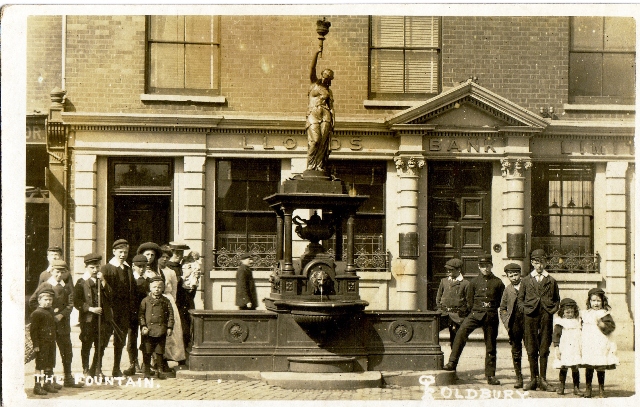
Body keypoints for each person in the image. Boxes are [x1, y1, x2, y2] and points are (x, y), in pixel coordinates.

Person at [442, 253, 505, 385]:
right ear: (479, 267)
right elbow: (469, 300)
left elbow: (500, 301)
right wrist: (476, 310)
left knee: (490, 346)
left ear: (491, 266)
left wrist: (490, 308)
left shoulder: (498, 282)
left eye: (487, 266)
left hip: (491, 316)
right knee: (460, 334)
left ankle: (490, 375)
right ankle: (452, 363)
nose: (485, 269)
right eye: (482, 266)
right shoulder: (474, 282)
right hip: (475, 314)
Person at [29, 260, 83, 388]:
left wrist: (61, 315)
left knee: (67, 351)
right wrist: (45, 315)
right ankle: (49, 380)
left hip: (62, 324)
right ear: (52, 271)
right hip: (48, 328)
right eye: (57, 271)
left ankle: (68, 377)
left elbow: (70, 305)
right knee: (48, 353)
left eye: (62, 272)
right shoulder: (45, 285)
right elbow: (32, 302)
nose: (59, 275)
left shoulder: (68, 286)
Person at [517, 249, 560, 392]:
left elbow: (556, 299)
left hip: (545, 315)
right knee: (531, 345)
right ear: (532, 263)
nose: (539, 266)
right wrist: (524, 309)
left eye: (542, 263)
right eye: (536, 263)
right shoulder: (526, 280)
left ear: (546, 263)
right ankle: (533, 379)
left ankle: (543, 379)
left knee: (544, 345)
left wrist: (551, 310)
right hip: (530, 315)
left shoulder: (551, 281)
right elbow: (520, 299)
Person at [100, 239, 133, 377]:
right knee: (103, 340)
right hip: (110, 311)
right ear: (114, 252)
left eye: (125, 252)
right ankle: (97, 368)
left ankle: (116, 368)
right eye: (120, 252)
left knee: (120, 341)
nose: (123, 255)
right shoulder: (106, 269)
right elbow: (101, 292)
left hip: (123, 311)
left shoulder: (127, 268)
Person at [580, 288, 619, 398]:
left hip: (599, 343)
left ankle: (601, 389)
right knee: (589, 365)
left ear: (602, 301)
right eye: (593, 301)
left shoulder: (604, 314)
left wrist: (602, 325)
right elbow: (581, 325)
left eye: (598, 301)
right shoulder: (586, 313)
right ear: (589, 302)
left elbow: (611, 327)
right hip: (588, 343)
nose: (596, 303)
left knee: (599, 365)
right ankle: (588, 388)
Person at [82, 253, 112, 378]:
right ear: (86, 268)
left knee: (100, 344)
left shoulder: (102, 281)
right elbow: (77, 301)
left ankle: (97, 368)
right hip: (88, 319)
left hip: (102, 319)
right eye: (92, 267)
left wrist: (103, 281)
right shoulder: (81, 282)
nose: (95, 270)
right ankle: (86, 369)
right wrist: (90, 309)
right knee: (87, 344)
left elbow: (110, 295)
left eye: (97, 267)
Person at [305, 46, 334, 172]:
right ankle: (310, 165)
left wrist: (334, 121)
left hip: (326, 114)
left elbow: (332, 107)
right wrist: (316, 54)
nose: (325, 78)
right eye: (324, 75)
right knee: (315, 140)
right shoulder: (314, 83)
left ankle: (320, 165)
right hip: (313, 113)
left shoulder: (328, 91)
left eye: (328, 77)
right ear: (321, 74)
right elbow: (312, 68)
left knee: (323, 142)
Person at [139, 276, 174, 380]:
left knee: (159, 352)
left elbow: (171, 315)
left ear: (162, 288)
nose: (157, 289)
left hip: (161, 330)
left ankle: (160, 371)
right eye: (154, 287)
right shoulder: (145, 301)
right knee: (147, 351)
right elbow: (141, 314)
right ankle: (146, 372)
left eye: (159, 287)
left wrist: (169, 327)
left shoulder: (166, 301)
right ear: (150, 288)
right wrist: (143, 325)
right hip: (148, 330)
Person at [123, 254, 151, 376]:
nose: (141, 269)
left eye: (144, 266)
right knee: (131, 339)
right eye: (139, 266)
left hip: (146, 314)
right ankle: (133, 364)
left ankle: (146, 364)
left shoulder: (149, 280)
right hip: (132, 313)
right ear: (133, 266)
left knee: (146, 338)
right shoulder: (129, 279)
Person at [167, 242, 195, 362]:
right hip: (175, 303)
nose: (179, 255)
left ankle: (183, 357)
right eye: (176, 252)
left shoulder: (183, 266)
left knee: (186, 330)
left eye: (181, 252)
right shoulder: (168, 267)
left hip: (185, 303)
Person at [499, 263, 526, 388]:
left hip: (527, 323)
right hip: (514, 324)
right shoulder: (507, 289)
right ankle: (519, 378)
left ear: (520, 274)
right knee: (516, 351)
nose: (514, 278)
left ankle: (534, 378)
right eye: (511, 276)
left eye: (516, 275)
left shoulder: (527, 286)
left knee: (531, 350)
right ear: (507, 276)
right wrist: (506, 322)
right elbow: (503, 308)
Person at [160, 245, 185, 374]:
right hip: (157, 300)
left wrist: (171, 302)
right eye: (162, 256)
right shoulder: (155, 270)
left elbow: (174, 290)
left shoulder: (171, 272)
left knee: (172, 332)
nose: (164, 259)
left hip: (169, 300)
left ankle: (170, 357)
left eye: (167, 257)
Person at [552, 298, 583, 396]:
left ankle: (576, 388)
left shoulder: (577, 321)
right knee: (564, 367)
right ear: (562, 312)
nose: (569, 314)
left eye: (572, 312)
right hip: (565, 347)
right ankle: (561, 386)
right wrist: (556, 347)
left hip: (575, 348)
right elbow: (556, 335)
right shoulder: (560, 322)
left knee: (575, 367)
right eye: (567, 312)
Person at [435, 258, 469, 347]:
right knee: (433, 332)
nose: (449, 271)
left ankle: (453, 358)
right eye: (448, 269)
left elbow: (468, 301)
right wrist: (440, 307)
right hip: (443, 314)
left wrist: (462, 312)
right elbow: (438, 297)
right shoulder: (444, 281)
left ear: (459, 270)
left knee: (455, 339)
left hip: (457, 316)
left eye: (451, 270)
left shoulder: (465, 283)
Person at [30, 287, 58, 395]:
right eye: (45, 300)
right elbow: (34, 331)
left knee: (50, 363)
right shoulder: (37, 313)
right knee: (40, 364)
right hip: (42, 343)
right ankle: (37, 386)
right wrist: (36, 344)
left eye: (50, 300)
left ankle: (48, 384)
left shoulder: (50, 311)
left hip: (51, 342)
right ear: (39, 300)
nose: (48, 302)